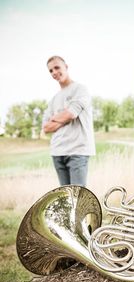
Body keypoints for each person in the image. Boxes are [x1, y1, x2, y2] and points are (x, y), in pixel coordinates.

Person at [42, 55, 95, 186]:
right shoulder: (54, 99)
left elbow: (71, 114)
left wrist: (54, 118)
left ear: (66, 67)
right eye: (50, 71)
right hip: (57, 152)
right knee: (65, 200)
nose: (54, 72)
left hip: (77, 151)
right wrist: (63, 115)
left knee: (77, 197)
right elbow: (46, 128)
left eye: (56, 67)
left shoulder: (80, 89)